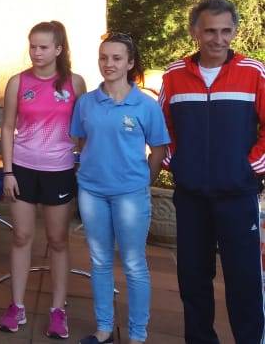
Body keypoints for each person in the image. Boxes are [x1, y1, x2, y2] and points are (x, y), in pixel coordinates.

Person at [160, 0, 265, 344]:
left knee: (244, 280)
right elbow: (162, 129)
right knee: (193, 278)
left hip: (238, 195)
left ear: (234, 31)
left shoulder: (253, 72)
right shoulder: (175, 75)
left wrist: (250, 167)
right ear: (195, 32)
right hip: (191, 196)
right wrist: (177, 163)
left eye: (225, 31)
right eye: (209, 31)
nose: (218, 39)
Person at [71, 33, 169, 344]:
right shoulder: (86, 103)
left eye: (116, 58)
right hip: (92, 192)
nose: (109, 63)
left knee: (133, 263)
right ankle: (104, 329)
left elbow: (158, 150)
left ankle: (137, 334)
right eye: (104, 57)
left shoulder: (146, 105)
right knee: (99, 261)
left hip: (130, 195)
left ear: (129, 63)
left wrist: (141, 182)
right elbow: (81, 142)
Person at [0, 21, 86, 338]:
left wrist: (82, 164)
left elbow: (83, 129)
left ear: (58, 49)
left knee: (58, 240)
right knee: (21, 236)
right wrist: (7, 171)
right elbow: (8, 127)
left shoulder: (75, 83)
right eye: (32, 46)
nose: (36, 52)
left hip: (59, 170)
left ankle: (58, 310)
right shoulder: (17, 82)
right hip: (22, 169)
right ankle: (17, 306)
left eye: (43, 47)